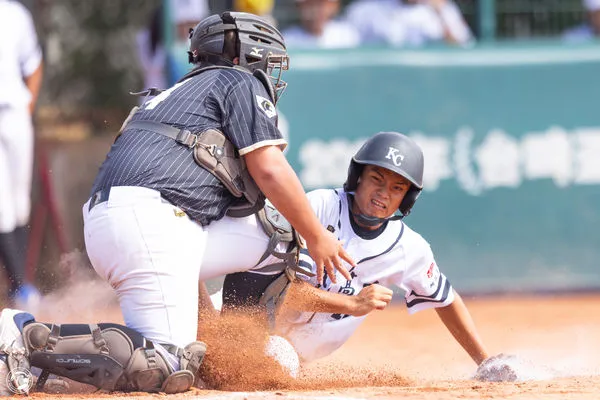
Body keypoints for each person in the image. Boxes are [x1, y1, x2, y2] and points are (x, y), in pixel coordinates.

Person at [203, 132, 517, 382]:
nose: (383, 193)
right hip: (233, 322)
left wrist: (484, 360)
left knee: (276, 362)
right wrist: (352, 304)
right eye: (376, 179)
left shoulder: (408, 248)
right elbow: (273, 290)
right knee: (195, 353)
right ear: (358, 178)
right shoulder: (318, 208)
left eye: (397, 187)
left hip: (284, 354)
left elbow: (445, 299)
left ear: (406, 198)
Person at [0, 0, 43, 311]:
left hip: (14, 113)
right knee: (1, 204)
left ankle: (20, 285)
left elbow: (33, 64)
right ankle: (19, 286)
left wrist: (28, 106)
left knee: (19, 204)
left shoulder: (15, 13)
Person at [344, 0, 473, 47]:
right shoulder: (365, 10)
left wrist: (440, 13)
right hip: (380, 86)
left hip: (428, 87)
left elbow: (464, 50)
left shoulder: (444, 9)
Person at [282, 0, 360, 49]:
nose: (316, 9)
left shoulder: (347, 35)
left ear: (334, 6)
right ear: (299, 7)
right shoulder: (286, 40)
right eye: (310, 4)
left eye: (321, 4)